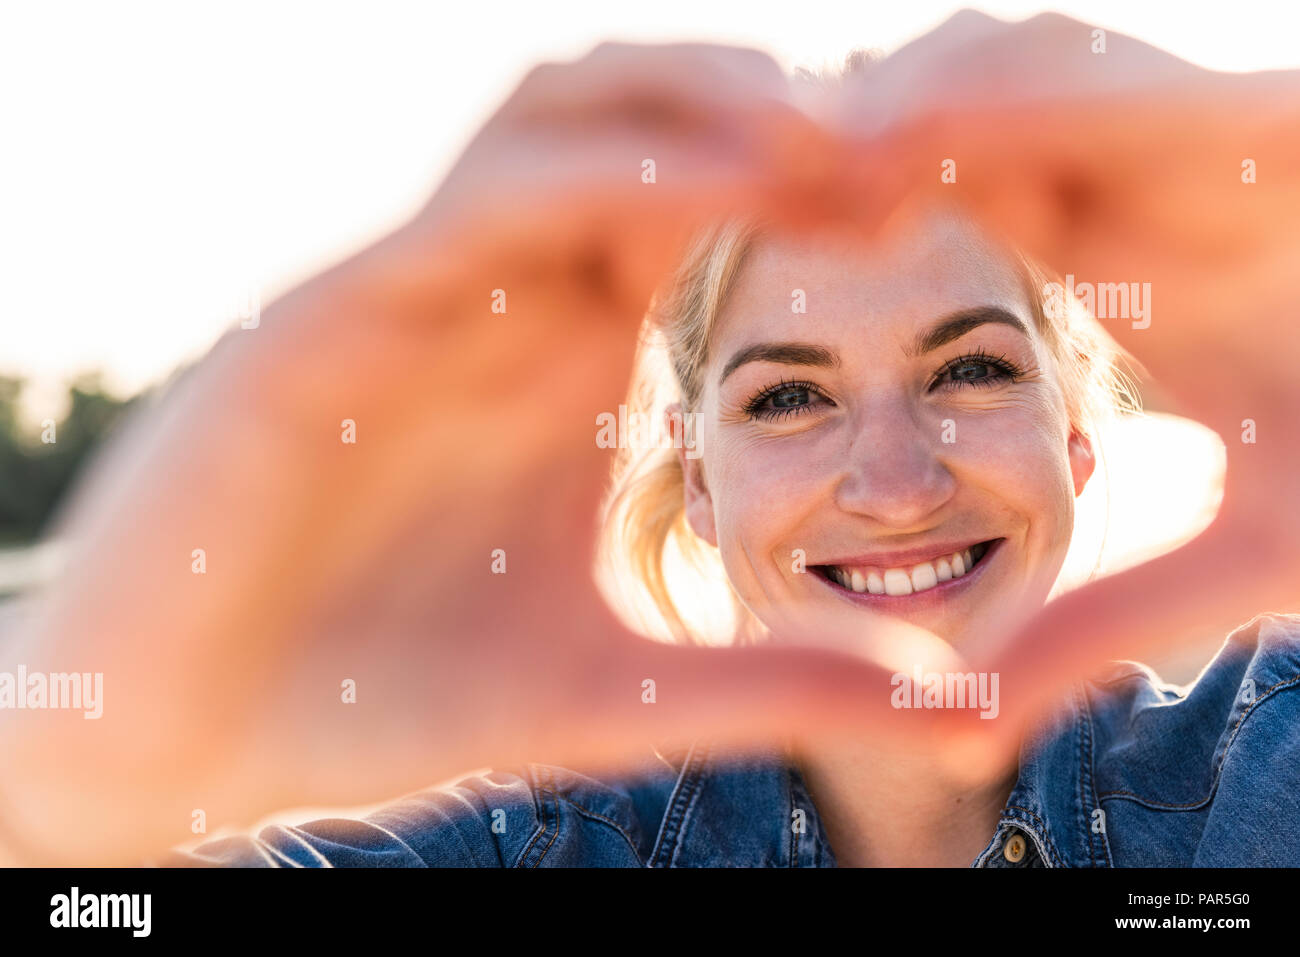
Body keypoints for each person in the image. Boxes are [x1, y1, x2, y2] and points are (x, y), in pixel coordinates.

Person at [1, 11, 1298, 867]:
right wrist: (64, 791)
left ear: (1078, 439)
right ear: (696, 486)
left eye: (968, 367)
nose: (897, 481)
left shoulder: (1258, 775)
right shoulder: (531, 846)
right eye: (789, 396)